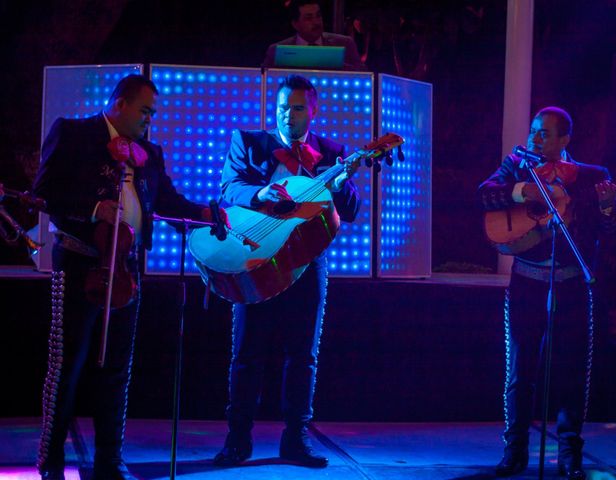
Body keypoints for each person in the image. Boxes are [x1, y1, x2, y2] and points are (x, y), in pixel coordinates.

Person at [33, 74, 219, 480]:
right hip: (80, 262)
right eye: (145, 111)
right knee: (67, 363)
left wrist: (204, 215)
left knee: (117, 365)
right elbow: (44, 191)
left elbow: (168, 201)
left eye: (152, 114)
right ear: (120, 103)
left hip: (127, 271)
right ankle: (51, 460)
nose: (149, 121)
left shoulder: (149, 151)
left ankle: (109, 460)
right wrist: (93, 208)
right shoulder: (75, 132)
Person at [212, 74, 360, 468]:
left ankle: (295, 439)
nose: (287, 116)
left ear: (313, 110)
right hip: (256, 260)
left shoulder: (330, 152)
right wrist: (259, 193)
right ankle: (237, 440)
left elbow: (350, 209)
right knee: (246, 354)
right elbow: (228, 189)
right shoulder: (250, 142)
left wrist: (341, 184)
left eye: (296, 108)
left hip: (307, 263)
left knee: (303, 356)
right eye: (281, 108)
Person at [478, 106, 616, 480]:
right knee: (520, 370)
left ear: (564, 140)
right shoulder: (517, 165)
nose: (535, 139)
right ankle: (515, 451)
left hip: (572, 281)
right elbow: (485, 194)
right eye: (534, 131)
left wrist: (607, 208)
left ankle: (570, 454)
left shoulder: (591, 176)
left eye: (544, 134)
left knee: (572, 370)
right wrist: (521, 191)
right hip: (527, 279)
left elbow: (608, 232)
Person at [262, 0, 366, 71]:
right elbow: (264, 80)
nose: (316, 22)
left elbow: (363, 76)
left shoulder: (345, 44)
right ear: (295, 24)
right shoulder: (276, 50)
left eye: (318, 16)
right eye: (309, 18)